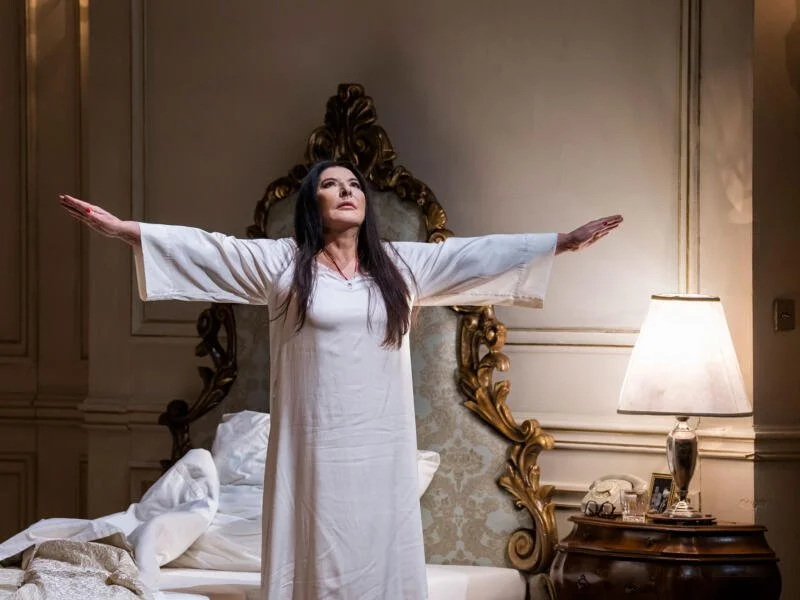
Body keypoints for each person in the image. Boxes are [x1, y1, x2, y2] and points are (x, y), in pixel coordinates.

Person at [60, 160, 622, 600]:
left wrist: (561, 242)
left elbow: (476, 256)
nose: (347, 191)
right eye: (331, 185)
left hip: (380, 450)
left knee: (378, 555)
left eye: (354, 185)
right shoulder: (282, 264)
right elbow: (211, 250)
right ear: (314, 203)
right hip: (313, 448)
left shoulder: (400, 266)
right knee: (316, 552)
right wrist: (125, 231)